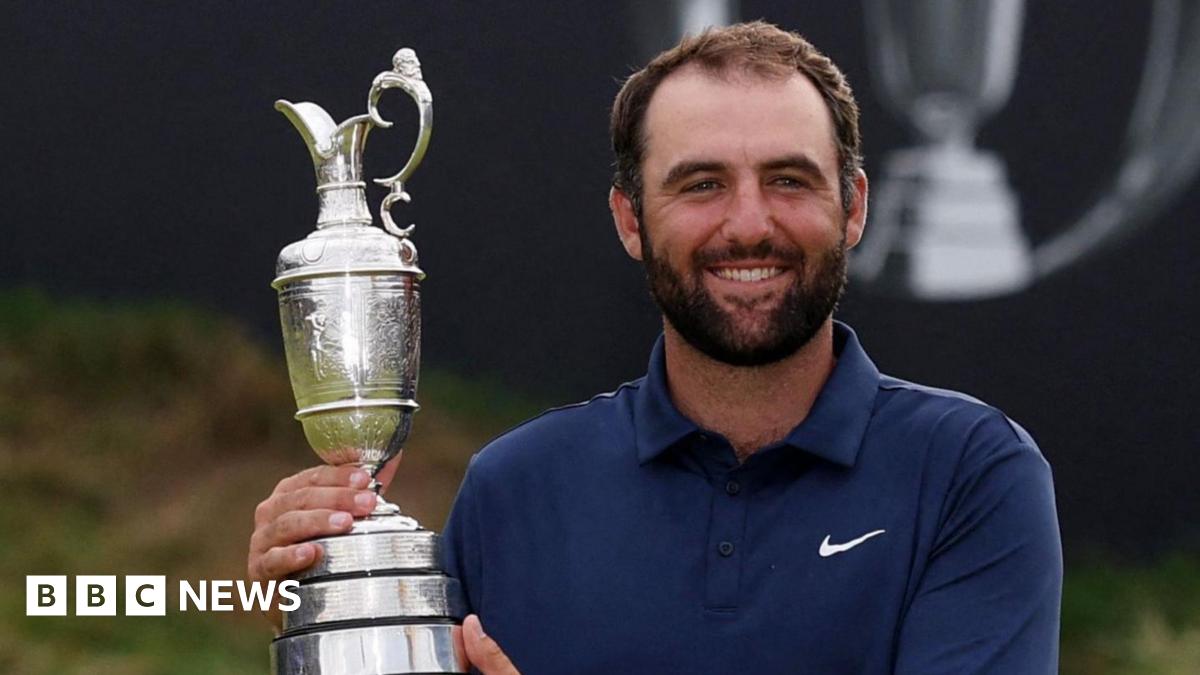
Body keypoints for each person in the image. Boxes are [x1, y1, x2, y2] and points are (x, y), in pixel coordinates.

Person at [248, 21, 1062, 674]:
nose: (749, 223)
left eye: (789, 179)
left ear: (852, 208)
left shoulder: (971, 474)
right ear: (631, 220)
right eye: (701, 184)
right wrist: (333, 593)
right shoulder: (513, 492)